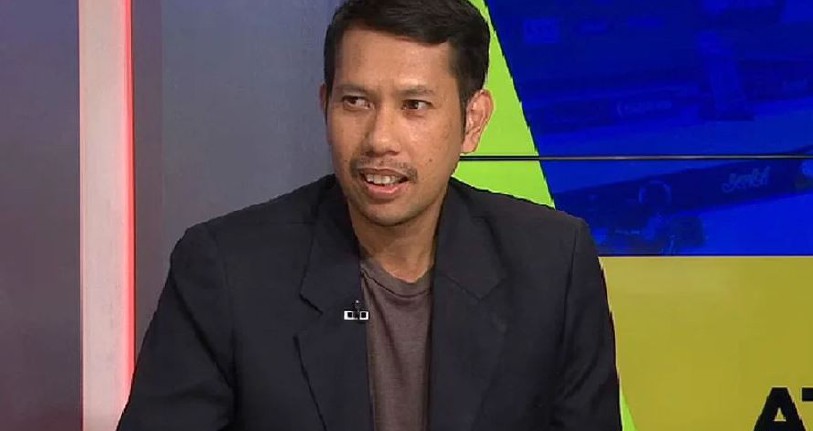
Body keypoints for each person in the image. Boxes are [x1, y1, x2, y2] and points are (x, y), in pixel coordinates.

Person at [117, 0, 621, 430]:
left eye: (414, 105)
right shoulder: (227, 270)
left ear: (473, 122)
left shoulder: (552, 263)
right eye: (356, 101)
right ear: (325, 105)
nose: (380, 139)